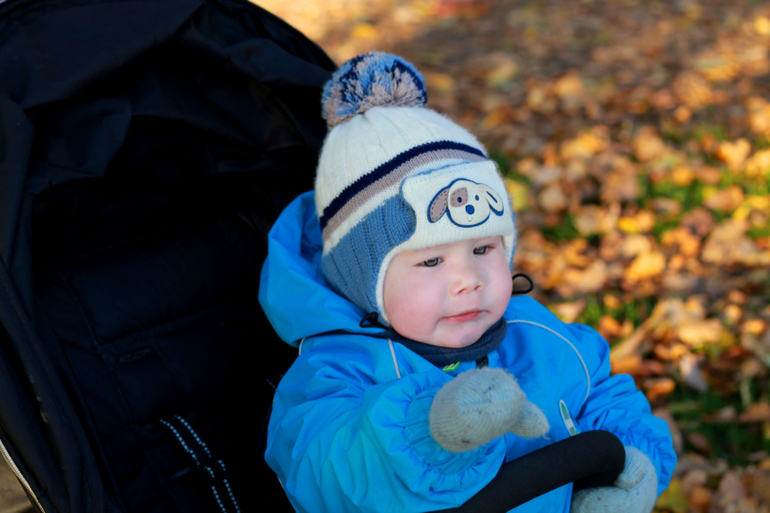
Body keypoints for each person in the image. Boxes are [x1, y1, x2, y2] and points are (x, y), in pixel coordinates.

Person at [259, 52, 676, 513]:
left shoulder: (539, 334)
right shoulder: (338, 370)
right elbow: (325, 472)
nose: (468, 280)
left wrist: (632, 465)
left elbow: (604, 395)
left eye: (482, 250)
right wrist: (431, 431)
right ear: (364, 282)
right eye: (431, 260)